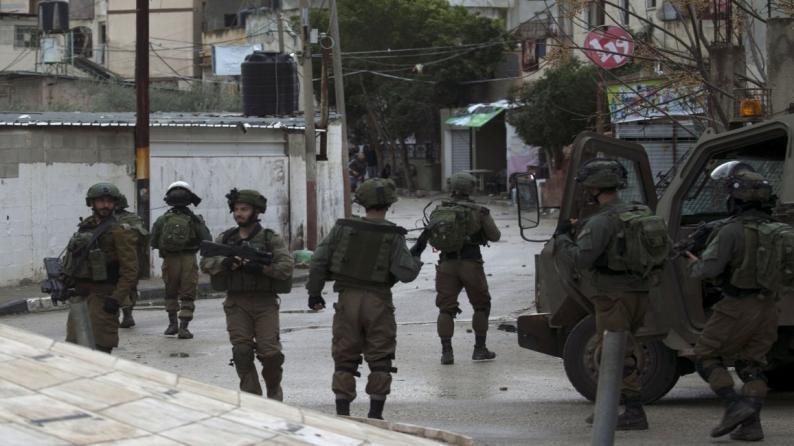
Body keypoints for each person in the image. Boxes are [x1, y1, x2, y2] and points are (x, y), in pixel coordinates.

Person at [555, 158, 666, 431]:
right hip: (639, 292)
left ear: (595, 188)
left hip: (612, 296)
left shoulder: (601, 221)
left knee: (614, 354)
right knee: (622, 348)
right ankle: (608, 407)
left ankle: (634, 411)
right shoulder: (641, 213)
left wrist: (563, 238)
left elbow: (581, 259)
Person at [306, 178, 425, 419]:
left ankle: (343, 414)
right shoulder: (393, 235)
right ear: (389, 204)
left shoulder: (342, 228)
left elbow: (318, 261)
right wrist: (417, 252)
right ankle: (375, 415)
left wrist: (314, 293)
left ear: (361, 202)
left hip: (347, 300)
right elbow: (406, 274)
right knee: (380, 358)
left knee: (344, 357)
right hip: (378, 302)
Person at [687, 161, 779, 441]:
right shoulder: (778, 230)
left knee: (705, 355)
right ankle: (751, 426)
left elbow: (708, 269)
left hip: (736, 305)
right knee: (752, 364)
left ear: (736, 198)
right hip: (769, 306)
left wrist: (693, 262)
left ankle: (734, 405)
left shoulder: (731, 231)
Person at [200, 189, 293, 401]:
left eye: (244, 209)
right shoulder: (226, 238)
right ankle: (252, 399)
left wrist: (260, 268)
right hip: (236, 302)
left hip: (265, 302)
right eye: (236, 209)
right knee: (241, 352)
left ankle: (274, 390)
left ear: (256, 211)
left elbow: (286, 267)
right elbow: (205, 262)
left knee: (271, 354)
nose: (239, 214)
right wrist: (224, 262)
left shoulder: (270, 238)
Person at [430, 172, 501, 365]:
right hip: (471, 264)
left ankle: (447, 353)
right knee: (481, 305)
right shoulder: (480, 211)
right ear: (471, 188)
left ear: (451, 187)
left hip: (446, 264)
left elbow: (432, 237)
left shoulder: (439, 210)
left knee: (445, 309)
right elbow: (495, 236)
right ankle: (480, 349)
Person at [63, 183, 140, 354]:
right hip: (81, 297)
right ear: (92, 203)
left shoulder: (120, 230)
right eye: (101, 201)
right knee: (73, 350)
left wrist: (116, 299)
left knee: (100, 351)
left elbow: (130, 271)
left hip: (104, 299)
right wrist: (64, 283)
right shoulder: (85, 227)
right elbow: (73, 260)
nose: (105, 205)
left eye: (109, 201)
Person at [150, 181, 211, 339]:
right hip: (188, 259)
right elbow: (207, 239)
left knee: (170, 292)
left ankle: (172, 325)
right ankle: (184, 328)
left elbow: (153, 241)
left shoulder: (162, 219)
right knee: (188, 293)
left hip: (170, 260)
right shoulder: (194, 220)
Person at [115, 193, 149, 329]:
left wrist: (126, 228)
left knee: (128, 286)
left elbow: (143, 234)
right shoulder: (105, 219)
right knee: (122, 285)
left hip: (129, 257)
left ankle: (127, 314)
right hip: (120, 258)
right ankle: (124, 315)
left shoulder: (131, 218)